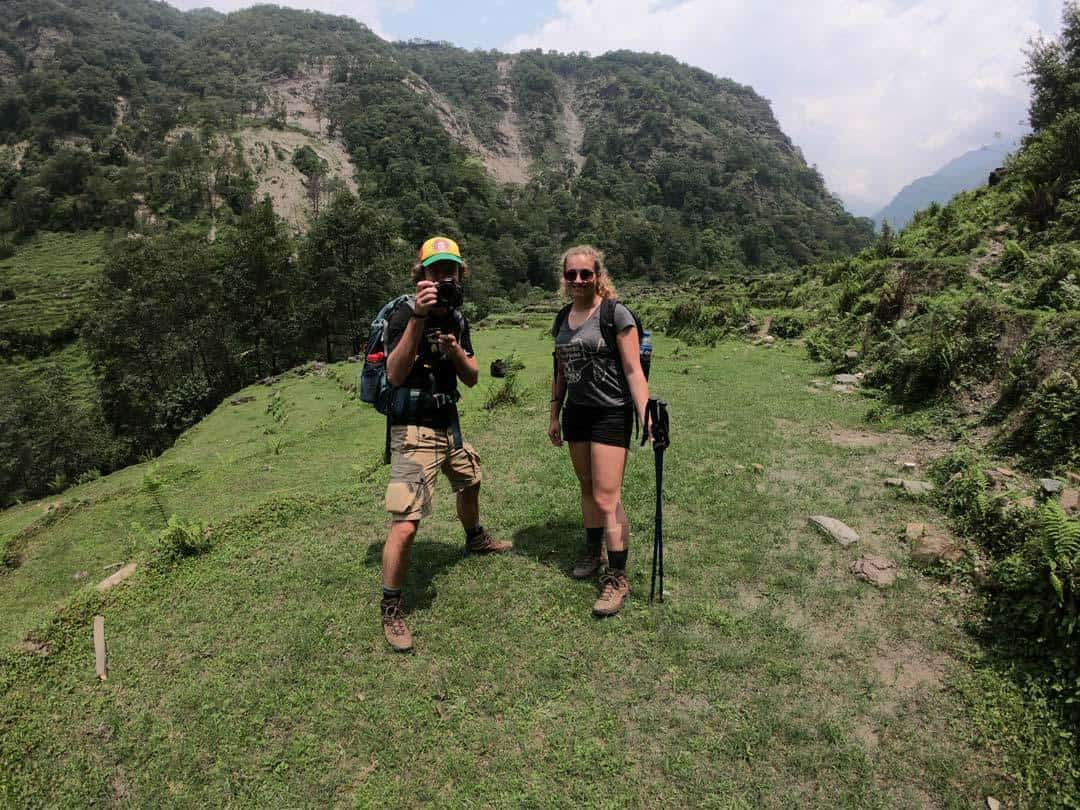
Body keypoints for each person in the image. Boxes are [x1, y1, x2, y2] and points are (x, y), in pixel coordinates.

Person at [379, 236, 511, 652]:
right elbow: (396, 375)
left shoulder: (456, 318)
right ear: (422, 274)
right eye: (435, 270)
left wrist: (454, 350)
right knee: (407, 521)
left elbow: (472, 378)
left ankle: (474, 538)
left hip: (447, 423)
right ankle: (391, 606)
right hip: (414, 429)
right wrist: (418, 318)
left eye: (449, 269)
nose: (442, 276)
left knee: (471, 478)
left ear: (459, 274)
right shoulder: (403, 313)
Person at [549, 245, 650, 616]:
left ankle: (617, 577)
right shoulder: (563, 317)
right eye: (571, 274)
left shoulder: (615, 313)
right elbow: (560, 369)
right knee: (587, 487)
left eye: (585, 274)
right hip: (577, 413)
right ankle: (593, 552)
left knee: (608, 497)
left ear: (598, 275)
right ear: (564, 278)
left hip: (610, 413)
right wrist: (554, 413)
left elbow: (632, 369)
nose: (578, 280)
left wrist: (647, 414)